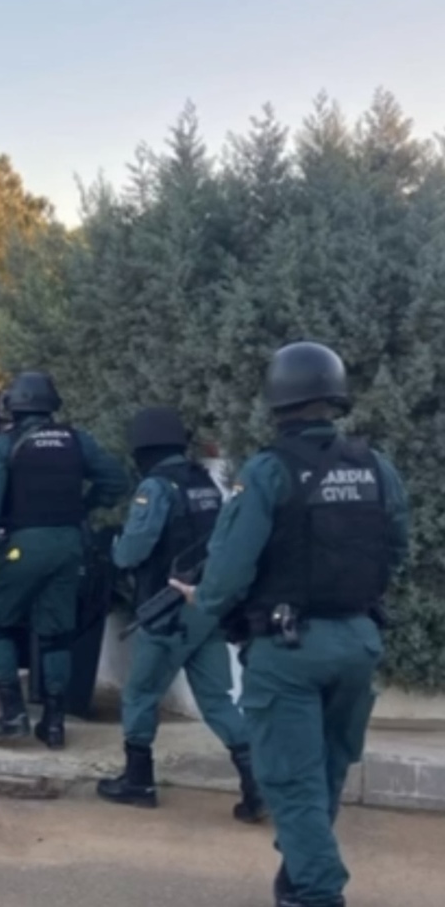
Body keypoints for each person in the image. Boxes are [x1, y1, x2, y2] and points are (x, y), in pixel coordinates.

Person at [169, 342, 409, 907]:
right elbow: (394, 548)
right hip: (358, 641)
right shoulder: (377, 466)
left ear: (278, 403)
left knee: (290, 784)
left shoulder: (270, 472)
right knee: (324, 773)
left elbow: (226, 578)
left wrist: (202, 596)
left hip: (287, 650)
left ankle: (318, 893)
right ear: (335, 397)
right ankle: (297, 882)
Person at [95, 407, 264, 823]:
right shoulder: (203, 481)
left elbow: (132, 550)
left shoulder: (157, 487)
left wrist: (112, 548)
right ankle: (257, 783)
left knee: (140, 695)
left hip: (165, 611)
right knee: (218, 700)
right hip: (203, 608)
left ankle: (138, 781)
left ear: (143, 447)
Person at [0, 371, 131, 748]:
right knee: (56, 635)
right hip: (70, 545)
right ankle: (53, 724)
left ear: (14, 406)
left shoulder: (8, 445)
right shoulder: (76, 441)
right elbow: (116, 481)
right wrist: (82, 508)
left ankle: (13, 714)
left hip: (24, 545)